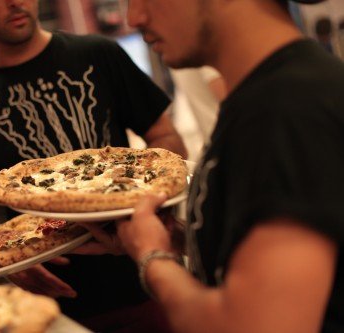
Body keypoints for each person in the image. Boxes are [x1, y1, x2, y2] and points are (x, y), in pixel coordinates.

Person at [82, 0, 344, 331]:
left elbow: (248, 326)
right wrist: (183, 240)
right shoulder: (264, 98)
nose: (133, 18)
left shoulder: (287, 108)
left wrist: (152, 259)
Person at [0, 0, 187, 329]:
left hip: (141, 280)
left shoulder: (99, 54)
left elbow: (165, 136)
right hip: (47, 311)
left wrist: (147, 204)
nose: (15, 2)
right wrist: (4, 261)